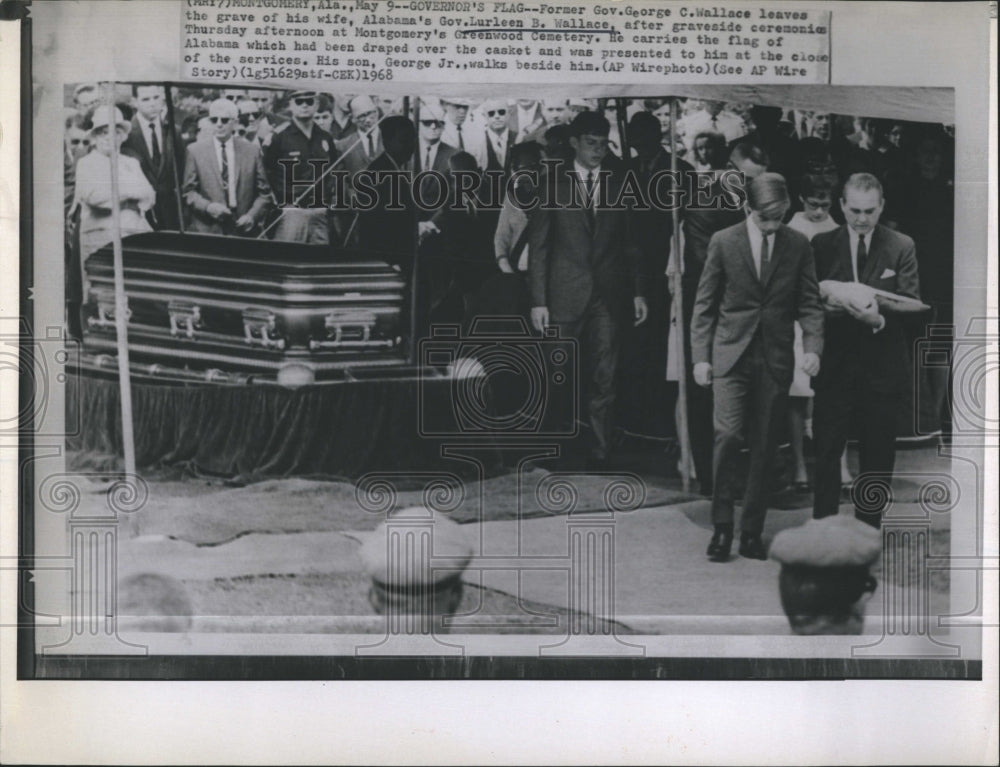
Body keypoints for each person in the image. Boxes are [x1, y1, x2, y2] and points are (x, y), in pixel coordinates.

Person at [690, 173, 824, 561]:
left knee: (766, 446)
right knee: (728, 436)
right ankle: (721, 527)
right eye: (765, 219)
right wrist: (701, 357)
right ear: (748, 208)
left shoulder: (798, 245)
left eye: (779, 218)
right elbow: (704, 305)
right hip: (730, 354)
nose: (772, 226)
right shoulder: (723, 242)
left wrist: (813, 347)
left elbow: (810, 303)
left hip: (775, 357)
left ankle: (751, 530)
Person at [526, 111, 648, 468]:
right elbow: (539, 247)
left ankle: (600, 452)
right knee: (558, 376)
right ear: (575, 143)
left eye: (603, 143)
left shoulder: (619, 181)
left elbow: (632, 243)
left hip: (608, 297)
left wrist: (639, 291)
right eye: (591, 143)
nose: (598, 150)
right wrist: (538, 301)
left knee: (604, 377)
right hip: (562, 296)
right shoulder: (552, 182)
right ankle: (554, 449)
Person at [811, 173, 921, 529]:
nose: (861, 218)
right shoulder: (821, 244)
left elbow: (912, 306)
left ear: (882, 206)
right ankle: (825, 530)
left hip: (882, 369)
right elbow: (808, 301)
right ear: (841, 206)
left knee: (877, 455)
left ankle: (867, 532)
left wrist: (878, 320)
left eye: (870, 211)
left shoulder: (901, 245)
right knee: (826, 452)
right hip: (836, 365)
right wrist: (830, 309)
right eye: (854, 210)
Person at [677, 141, 769, 495]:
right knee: (707, 393)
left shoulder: (758, 198)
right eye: (746, 179)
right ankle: (712, 478)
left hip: (750, 311)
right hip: (714, 309)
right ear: (729, 167)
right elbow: (706, 265)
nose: (751, 188)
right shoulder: (704, 199)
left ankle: (744, 472)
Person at [786, 174, 851, 490]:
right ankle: (798, 467)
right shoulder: (791, 228)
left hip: (829, 317)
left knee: (832, 394)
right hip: (800, 318)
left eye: (825, 204)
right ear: (801, 200)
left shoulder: (835, 228)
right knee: (798, 395)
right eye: (813, 204)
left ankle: (840, 466)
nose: (819, 210)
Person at [73, 105, 156, 260]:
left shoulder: (131, 163)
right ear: (95, 137)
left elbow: (150, 196)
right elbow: (95, 198)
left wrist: (118, 195)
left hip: (135, 232)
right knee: (102, 281)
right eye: (103, 133)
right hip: (99, 235)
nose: (109, 137)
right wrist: (132, 193)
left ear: (122, 137)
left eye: (115, 132)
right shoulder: (87, 163)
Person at [182, 99, 272, 236]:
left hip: (242, 228)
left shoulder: (251, 151)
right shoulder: (195, 151)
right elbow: (189, 192)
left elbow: (264, 194)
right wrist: (208, 207)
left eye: (224, 120)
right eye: (214, 120)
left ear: (235, 123)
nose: (219, 124)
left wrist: (252, 216)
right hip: (207, 229)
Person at [262, 89, 338, 243]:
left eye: (309, 101)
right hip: (292, 213)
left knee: (319, 262)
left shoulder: (325, 138)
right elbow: (266, 173)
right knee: (288, 260)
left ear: (316, 104)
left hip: (319, 212)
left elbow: (333, 171)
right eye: (299, 101)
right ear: (291, 104)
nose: (304, 105)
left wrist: (329, 202)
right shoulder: (278, 137)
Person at [122, 84, 180, 230]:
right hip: (138, 213)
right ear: (134, 102)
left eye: (156, 98)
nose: (153, 104)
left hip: (170, 213)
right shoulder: (125, 134)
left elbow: (180, 169)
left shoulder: (173, 130)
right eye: (146, 99)